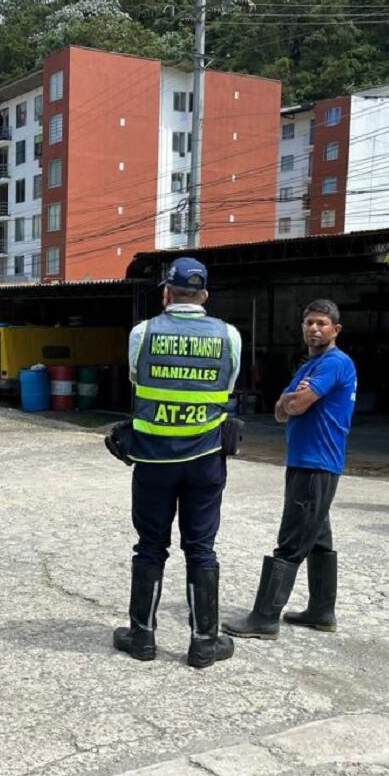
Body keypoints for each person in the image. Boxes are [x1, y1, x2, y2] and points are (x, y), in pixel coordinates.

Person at [112, 257, 241, 669]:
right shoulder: (229, 336)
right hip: (205, 457)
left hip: (153, 458)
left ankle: (143, 638)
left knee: (150, 545)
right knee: (201, 548)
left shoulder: (142, 333)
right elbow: (228, 383)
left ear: (167, 293)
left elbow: (137, 379)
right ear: (205, 296)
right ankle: (204, 643)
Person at [224, 299, 357, 641]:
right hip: (307, 461)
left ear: (335, 329)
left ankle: (265, 618)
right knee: (318, 539)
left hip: (316, 463)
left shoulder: (334, 363)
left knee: (291, 541)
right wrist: (290, 401)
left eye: (321, 323)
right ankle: (321, 611)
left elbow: (296, 404)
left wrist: (293, 401)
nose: (314, 328)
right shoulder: (308, 367)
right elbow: (280, 410)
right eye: (309, 322)